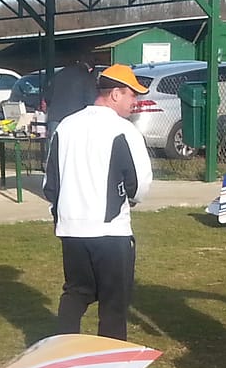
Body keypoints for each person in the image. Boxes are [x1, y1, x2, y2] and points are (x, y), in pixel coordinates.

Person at [42, 64, 154, 339]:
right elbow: (139, 185)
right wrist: (127, 199)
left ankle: (64, 349)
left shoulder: (66, 126)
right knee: (113, 304)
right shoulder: (124, 130)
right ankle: (110, 358)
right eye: (131, 94)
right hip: (110, 231)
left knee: (76, 293)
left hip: (71, 229)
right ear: (115, 94)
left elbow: (49, 184)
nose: (135, 102)